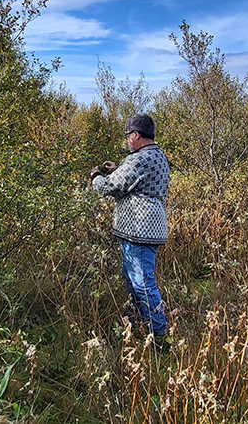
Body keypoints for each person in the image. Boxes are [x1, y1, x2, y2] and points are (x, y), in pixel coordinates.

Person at [90, 113, 171, 351]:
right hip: (145, 229)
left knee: (142, 283)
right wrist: (119, 168)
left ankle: (159, 337)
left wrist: (96, 176)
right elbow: (139, 182)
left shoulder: (138, 160)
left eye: (128, 136)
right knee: (134, 278)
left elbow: (110, 186)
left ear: (136, 135)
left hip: (139, 230)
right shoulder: (157, 156)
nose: (127, 141)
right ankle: (141, 322)